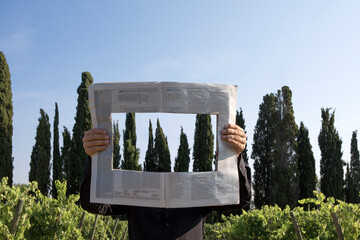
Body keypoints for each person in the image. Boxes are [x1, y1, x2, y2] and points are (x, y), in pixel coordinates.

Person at [80, 123, 251, 240]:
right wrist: (94, 158)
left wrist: (233, 158)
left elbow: (240, 199)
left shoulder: (200, 190)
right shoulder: (133, 191)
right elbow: (93, 204)